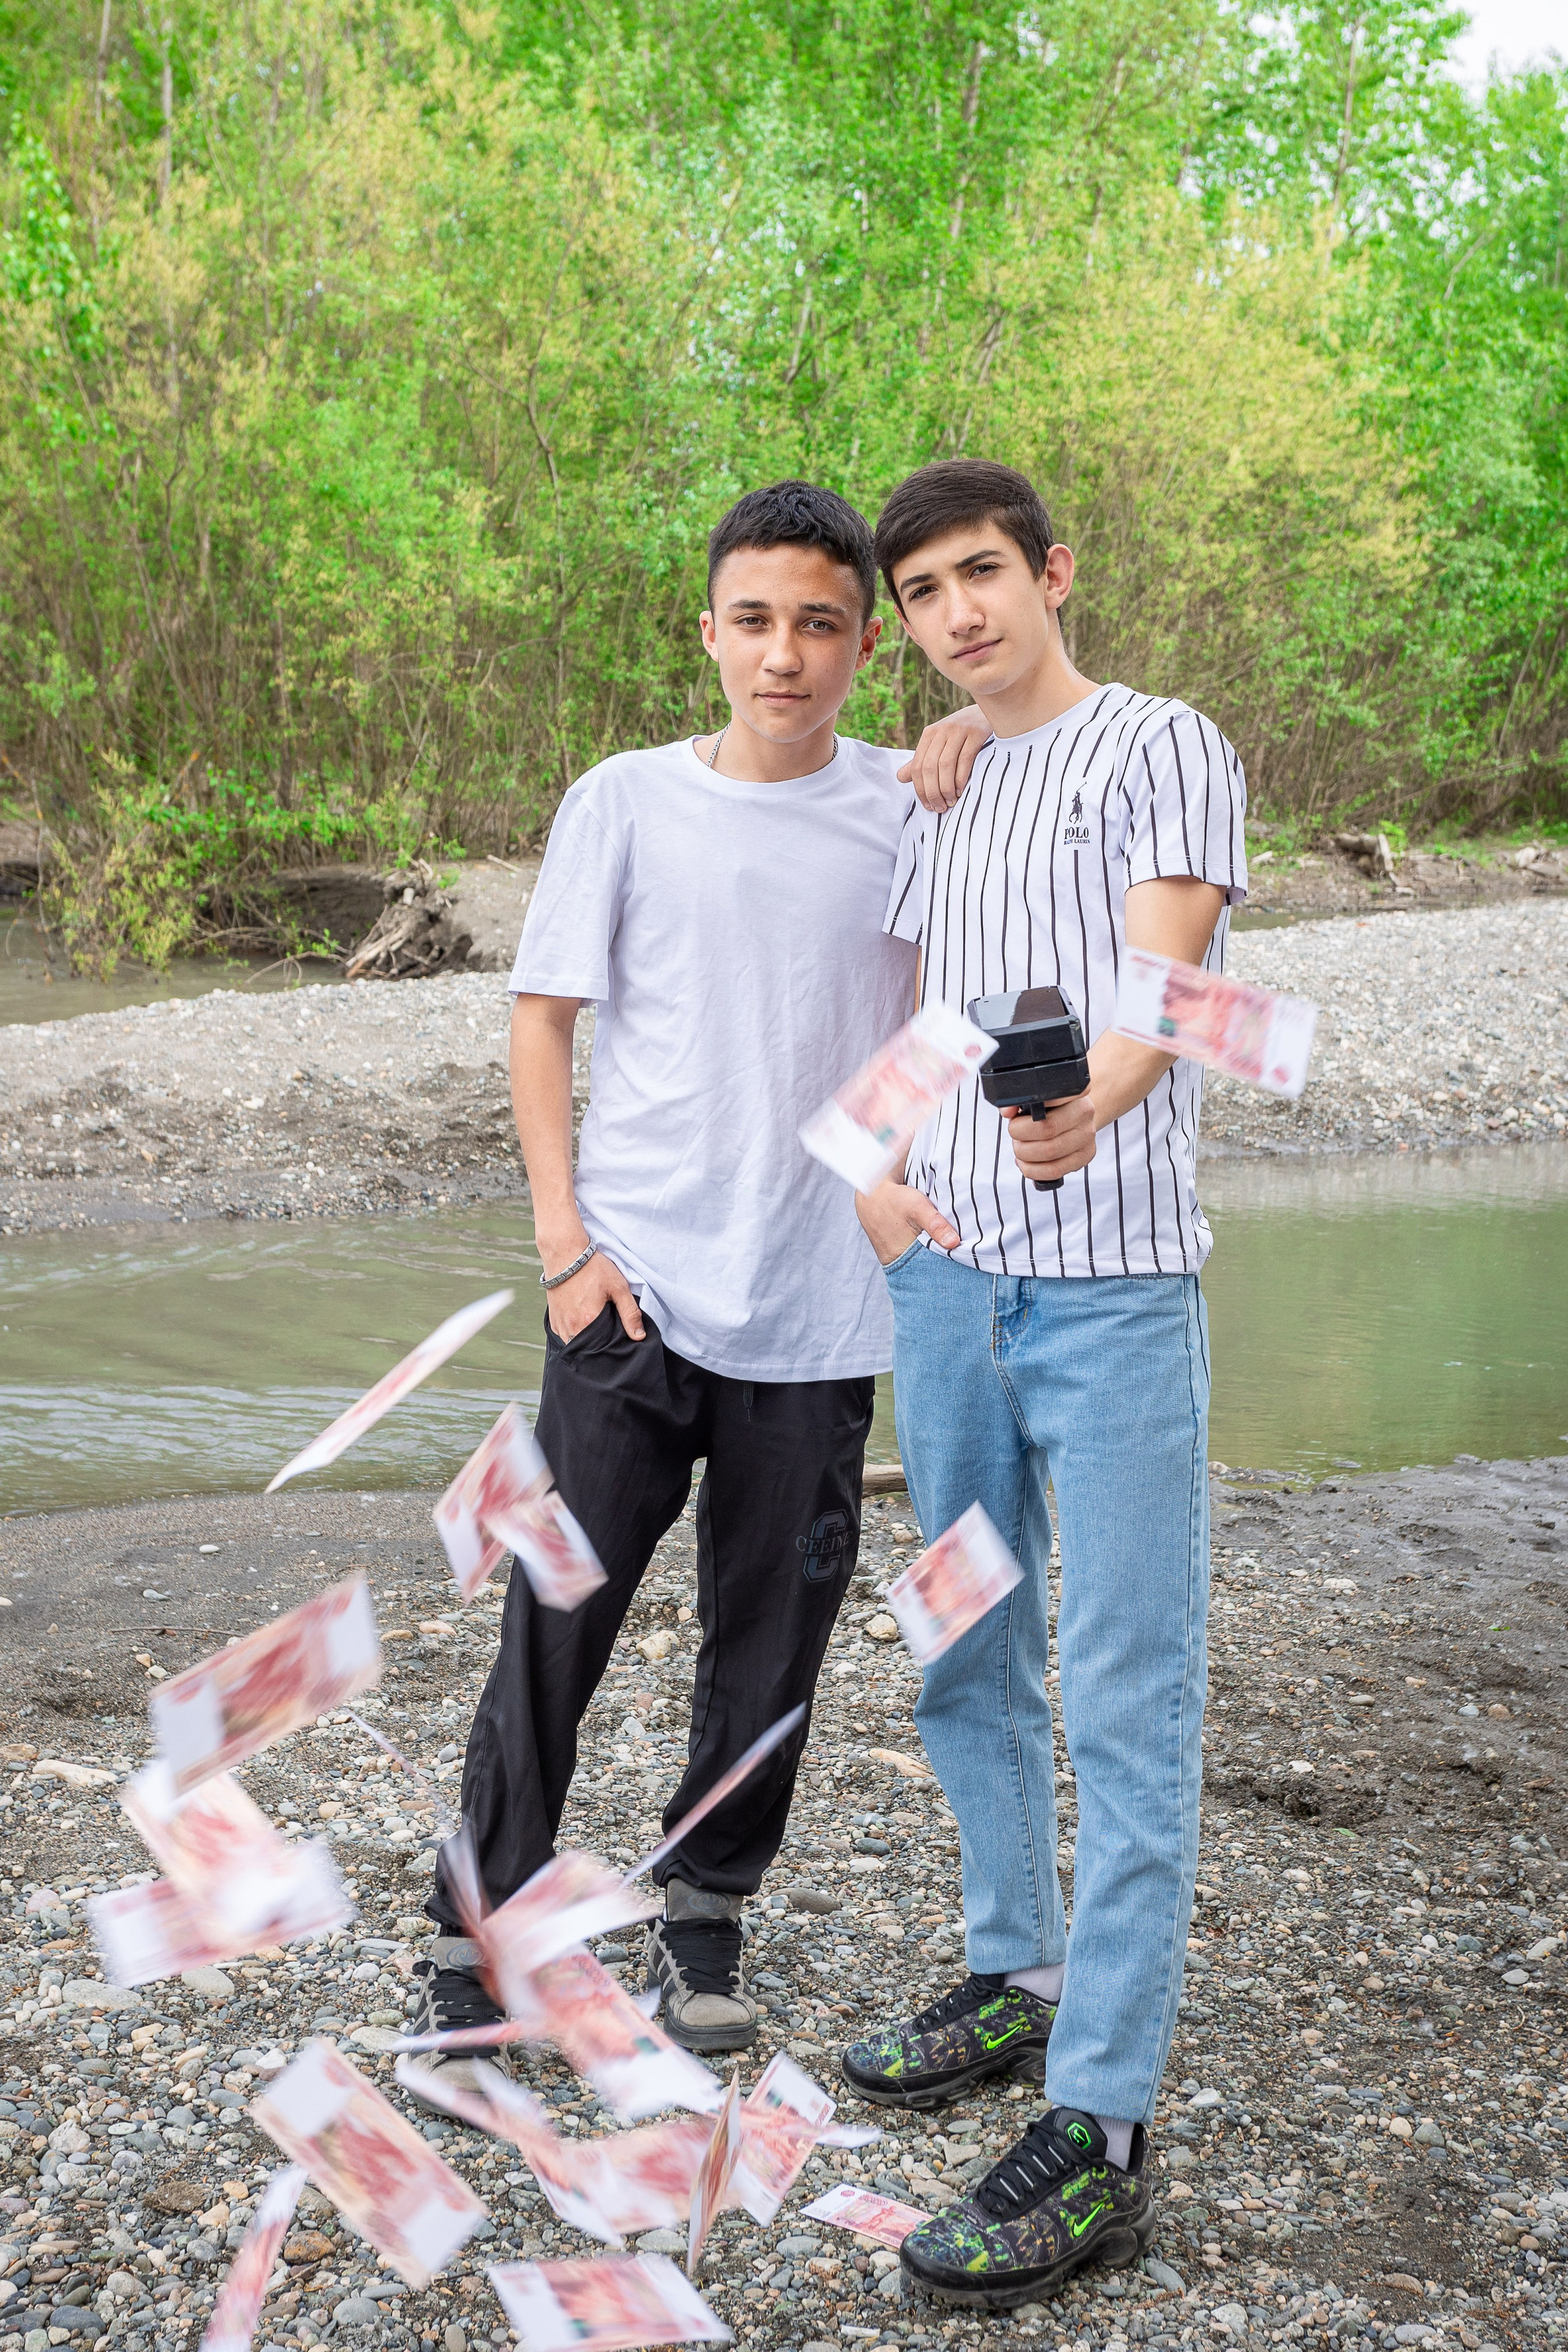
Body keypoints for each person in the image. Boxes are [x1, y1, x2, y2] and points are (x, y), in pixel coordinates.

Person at [411, 480, 989, 2079]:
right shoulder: (623, 802)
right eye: (755, 621)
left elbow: (948, 1016)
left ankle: (705, 1922)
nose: (783, 655)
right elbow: (544, 1021)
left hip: (821, 1303)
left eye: (820, 625)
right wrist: (564, 1246)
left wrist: (970, 740)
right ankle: (475, 1933)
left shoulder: (914, 806)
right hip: (631, 1288)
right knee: (556, 1614)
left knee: (770, 1634)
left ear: (867, 645)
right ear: (711, 632)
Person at [843, 458, 1247, 2309]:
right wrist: (869, 1175)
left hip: (1115, 1297)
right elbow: (937, 1012)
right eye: (925, 594)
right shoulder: (945, 781)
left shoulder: (1164, 742)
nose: (959, 615)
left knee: (1127, 1691)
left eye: (981, 575)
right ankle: (1014, 1970)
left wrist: (1100, 1099)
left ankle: (1104, 2125)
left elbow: (1170, 980)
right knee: (961, 1641)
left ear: (1052, 570)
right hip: (947, 1291)